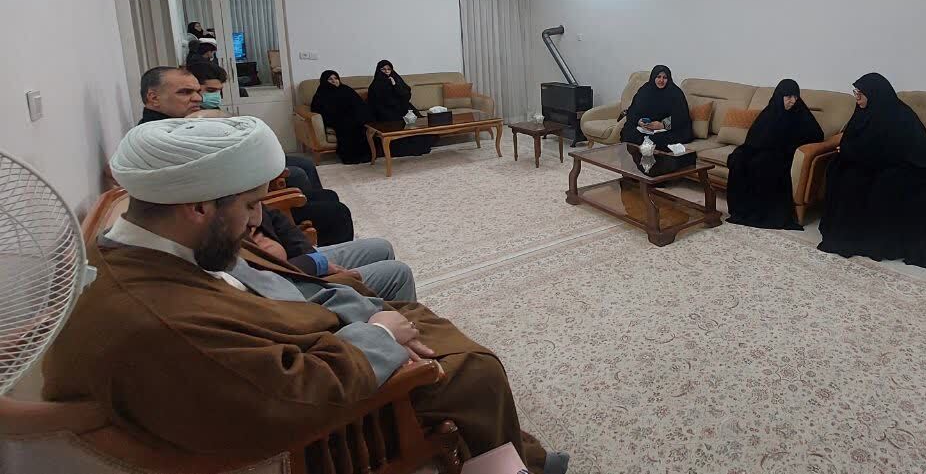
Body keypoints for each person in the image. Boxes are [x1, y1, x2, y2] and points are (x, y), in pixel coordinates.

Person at [42, 117, 567, 473]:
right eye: (250, 205)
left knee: (418, 319)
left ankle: (512, 450)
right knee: (477, 371)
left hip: (319, 328)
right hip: (339, 393)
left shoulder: (147, 248)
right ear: (197, 207)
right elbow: (287, 399)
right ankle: (514, 462)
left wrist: (358, 309)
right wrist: (380, 335)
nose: (256, 221)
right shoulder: (157, 323)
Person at [138, 67, 348, 243]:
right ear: (153, 97)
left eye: (197, 91)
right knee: (336, 211)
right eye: (185, 92)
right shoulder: (162, 138)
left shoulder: (178, 123)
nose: (197, 98)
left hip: (248, 202)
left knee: (328, 195)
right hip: (239, 215)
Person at [818, 73, 926, 268]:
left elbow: (891, 150)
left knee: (874, 183)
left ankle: (870, 241)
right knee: (838, 169)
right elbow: (853, 138)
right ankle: (844, 235)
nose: (857, 99)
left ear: (874, 94)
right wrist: (849, 150)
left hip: (908, 165)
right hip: (873, 160)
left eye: (861, 94)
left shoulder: (898, 115)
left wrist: (852, 151)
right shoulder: (863, 111)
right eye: (856, 93)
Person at [250, 206, 415, 302]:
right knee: (399, 273)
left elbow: (275, 218)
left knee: (381, 247)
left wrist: (315, 260)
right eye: (250, 204)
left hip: (298, 262)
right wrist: (318, 267)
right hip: (286, 287)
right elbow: (265, 272)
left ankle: (381, 313)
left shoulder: (242, 195)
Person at [726, 79, 825, 230]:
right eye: (788, 97)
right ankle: (741, 209)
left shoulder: (800, 112)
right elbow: (755, 136)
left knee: (762, 164)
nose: (793, 101)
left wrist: (792, 143)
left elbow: (817, 134)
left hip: (783, 153)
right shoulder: (771, 111)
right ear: (780, 96)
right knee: (739, 159)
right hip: (763, 149)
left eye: (795, 96)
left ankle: (762, 212)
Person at [367, 60, 432, 156]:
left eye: (389, 69)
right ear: (378, 70)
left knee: (415, 119)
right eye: (383, 69)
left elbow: (406, 95)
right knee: (394, 121)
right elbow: (375, 103)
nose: (386, 71)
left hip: (402, 107)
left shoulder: (396, 79)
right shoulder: (375, 85)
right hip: (385, 111)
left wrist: (395, 85)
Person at [620, 65, 693, 151]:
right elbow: (632, 110)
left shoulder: (675, 93)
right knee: (628, 132)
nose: (661, 80)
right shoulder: (645, 90)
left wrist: (662, 125)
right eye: (658, 77)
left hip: (668, 129)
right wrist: (639, 121)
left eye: (664, 78)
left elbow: (681, 117)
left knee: (656, 140)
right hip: (645, 128)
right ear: (653, 77)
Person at [311, 69, 373, 164]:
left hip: (352, 115)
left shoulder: (345, 89)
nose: (334, 81)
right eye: (330, 79)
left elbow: (358, 103)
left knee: (362, 122)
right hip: (335, 118)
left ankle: (367, 155)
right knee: (347, 125)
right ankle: (351, 157)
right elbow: (318, 109)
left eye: (336, 78)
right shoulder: (321, 93)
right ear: (324, 81)